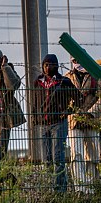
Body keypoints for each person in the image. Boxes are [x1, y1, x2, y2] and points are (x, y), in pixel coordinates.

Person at [30, 54, 79, 192]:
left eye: (50, 64)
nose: (47, 67)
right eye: (45, 65)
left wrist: (68, 111)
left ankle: (60, 189)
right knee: (47, 158)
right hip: (43, 123)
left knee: (58, 156)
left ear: (55, 65)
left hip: (58, 122)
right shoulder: (38, 82)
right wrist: (35, 117)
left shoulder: (63, 82)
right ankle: (49, 188)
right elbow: (34, 101)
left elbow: (78, 99)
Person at [65, 57, 100, 193]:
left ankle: (92, 186)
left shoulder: (95, 75)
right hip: (75, 121)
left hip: (91, 120)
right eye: (74, 60)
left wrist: (91, 113)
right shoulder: (67, 77)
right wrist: (71, 111)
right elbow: (64, 98)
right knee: (76, 154)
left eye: (78, 59)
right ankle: (80, 187)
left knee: (93, 154)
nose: (77, 63)